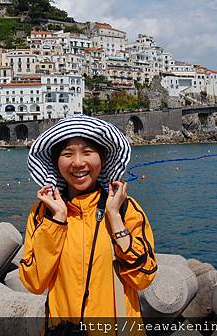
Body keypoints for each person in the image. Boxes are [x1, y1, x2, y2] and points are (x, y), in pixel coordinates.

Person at [20, 115, 157, 335]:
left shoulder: (125, 208)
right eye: (67, 154)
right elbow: (34, 282)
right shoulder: (44, 212)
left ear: (102, 159)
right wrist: (57, 220)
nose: (78, 163)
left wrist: (114, 216)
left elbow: (143, 277)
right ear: (56, 162)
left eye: (87, 152)